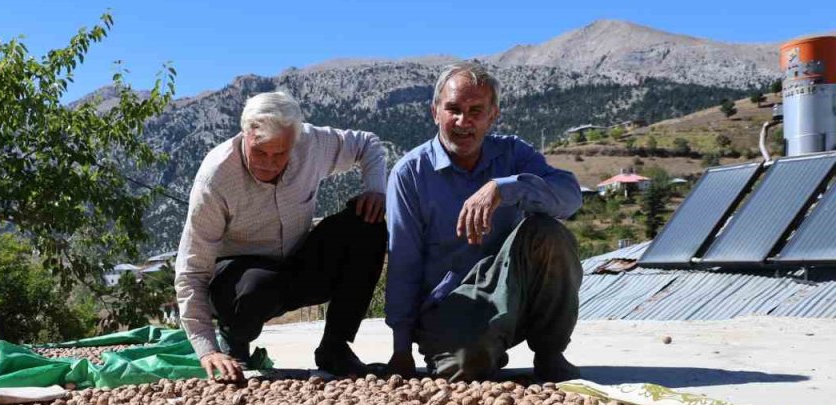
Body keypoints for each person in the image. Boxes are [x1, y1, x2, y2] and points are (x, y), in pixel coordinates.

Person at [385, 62, 584, 382]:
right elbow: (403, 263)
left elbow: (570, 198)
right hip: (452, 306)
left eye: (476, 110)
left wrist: (505, 188)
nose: (464, 121)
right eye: (453, 109)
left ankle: (550, 353)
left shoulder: (514, 154)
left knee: (549, 232)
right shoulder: (410, 174)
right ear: (435, 111)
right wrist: (401, 351)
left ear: (493, 115)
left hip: (517, 299)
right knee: (465, 369)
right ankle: (481, 349)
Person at [174, 91, 388, 380]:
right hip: (240, 281)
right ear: (245, 134)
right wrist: (207, 349)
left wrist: (376, 189)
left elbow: (369, 144)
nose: (270, 163)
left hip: (297, 265)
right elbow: (192, 270)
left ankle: (335, 348)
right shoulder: (216, 177)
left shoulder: (311, 143)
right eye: (260, 152)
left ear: (295, 141)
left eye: (281, 154)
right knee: (254, 288)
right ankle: (236, 339)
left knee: (368, 223)